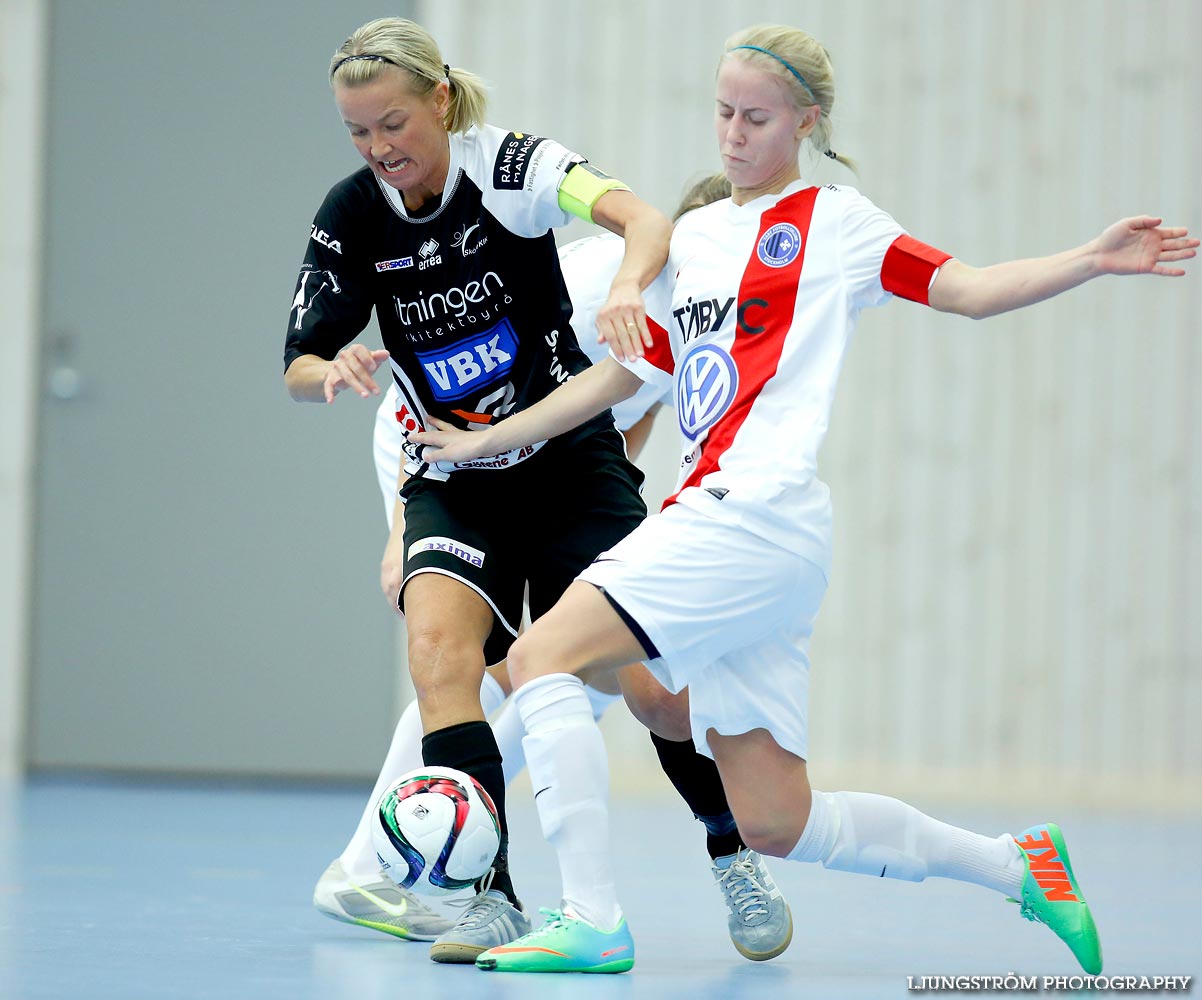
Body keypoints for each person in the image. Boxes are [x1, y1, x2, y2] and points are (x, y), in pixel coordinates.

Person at [410, 23, 1198, 975]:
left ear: (807, 121)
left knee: (541, 657)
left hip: (753, 508)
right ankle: (1014, 864)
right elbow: (621, 377)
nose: (733, 134)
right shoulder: (696, 239)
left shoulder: (837, 221)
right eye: (722, 112)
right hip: (760, 538)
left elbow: (971, 288)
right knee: (775, 818)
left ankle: (592, 919)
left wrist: (1087, 258)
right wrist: (492, 438)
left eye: (757, 117)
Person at [283, 16, 785, 965]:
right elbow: (361, 388)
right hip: (444, 462)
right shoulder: (610, 273)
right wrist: (398, 526)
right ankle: (481, 893)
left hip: (567, 472)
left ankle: (731, 855)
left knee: (655, 695)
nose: (376, 149)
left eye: (389, 125)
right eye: (361, 131)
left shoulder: (730, 319)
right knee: (445, 656)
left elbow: (626, 423)